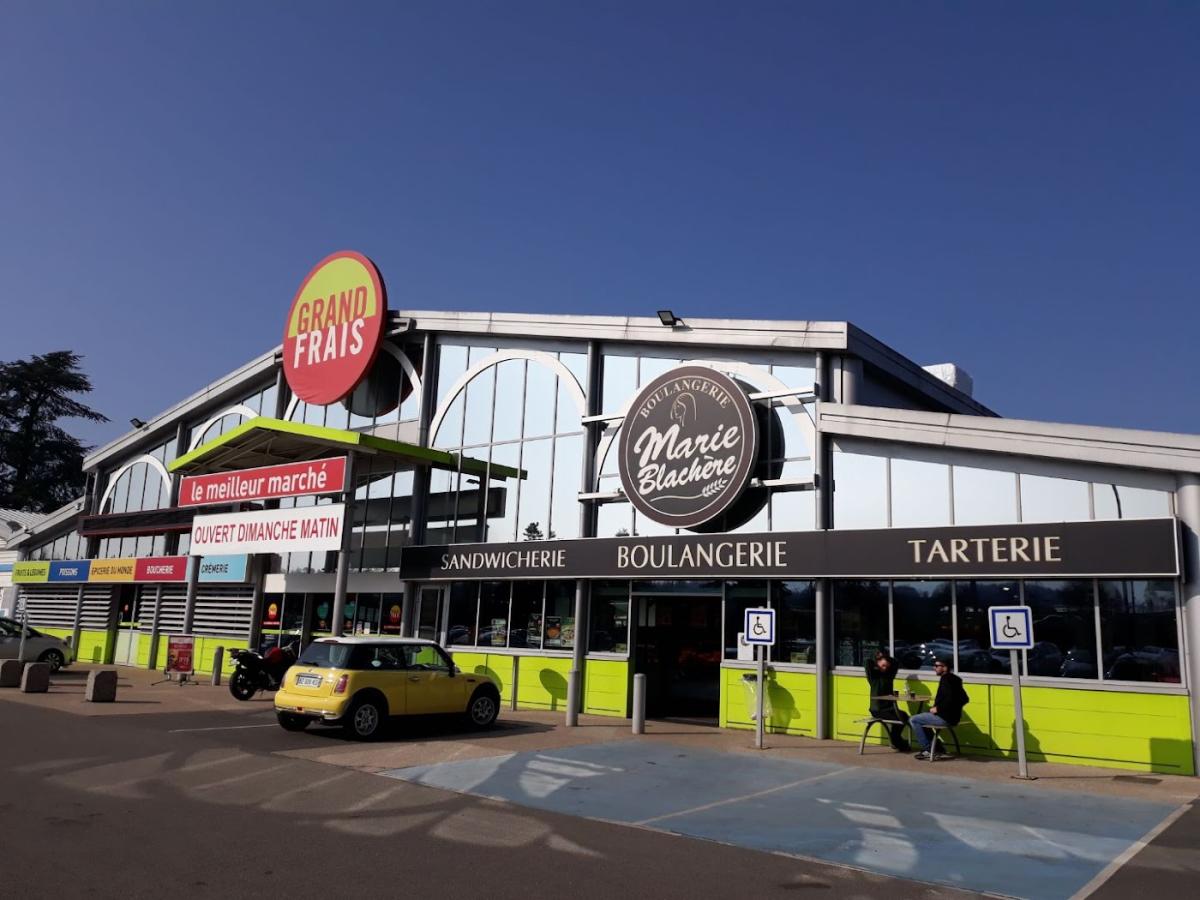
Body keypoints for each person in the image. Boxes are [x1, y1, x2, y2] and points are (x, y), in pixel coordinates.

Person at [910, 656, 970, 760]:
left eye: (937, 666)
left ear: (945, 668)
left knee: (914, 719)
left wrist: (939, 709)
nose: (934, 668)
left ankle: (928, 750)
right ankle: (938, 748)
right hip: (954, 718)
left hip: (944, 718)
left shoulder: (946, 679)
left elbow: (950, 699)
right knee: (923, 719)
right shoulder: (955, 679)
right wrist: (953, 710)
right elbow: (965, 699)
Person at [864, 649, 910, 752]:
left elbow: (895, 662)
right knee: (899, 718)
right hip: (877, 709)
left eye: (887, 666)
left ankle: (895, 739)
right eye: (883, 666)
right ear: (877, 663)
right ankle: (896, 741)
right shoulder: (874, 677)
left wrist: (886, 657)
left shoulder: (889, 676)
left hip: (889, 708)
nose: (885, 668)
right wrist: (878, 657)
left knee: (904, 716)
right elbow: (867, 662)